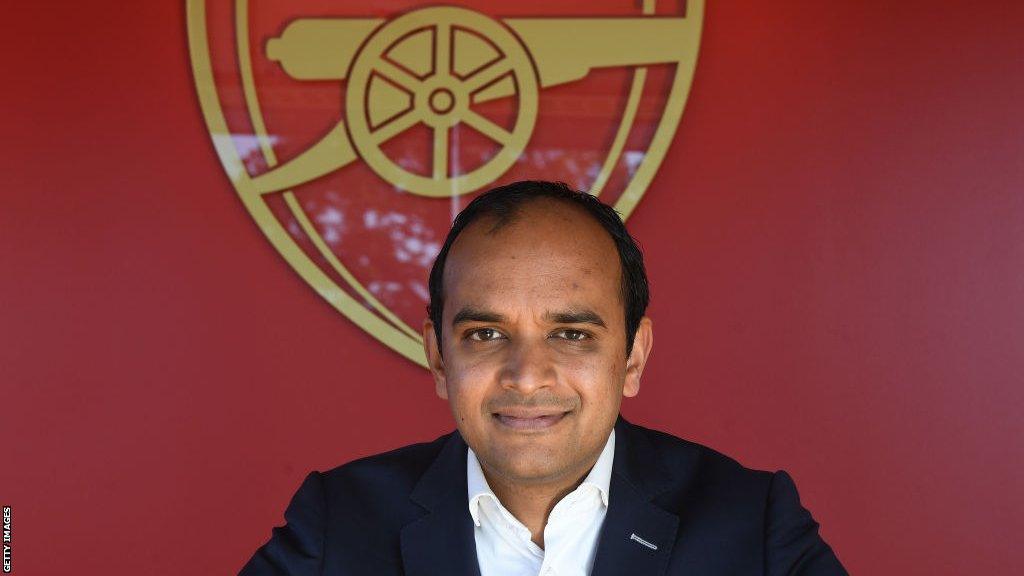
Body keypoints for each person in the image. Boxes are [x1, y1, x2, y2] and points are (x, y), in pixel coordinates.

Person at [239, 181, 847, 575]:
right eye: (485, 334)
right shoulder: (337, 523)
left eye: (571, 334)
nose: (527, 377)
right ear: (438, 357)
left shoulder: (752, 527)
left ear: (633, 356)